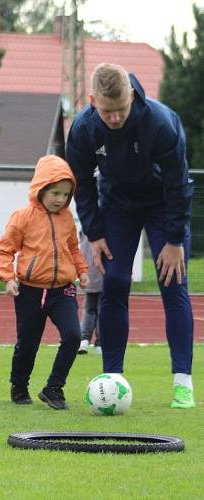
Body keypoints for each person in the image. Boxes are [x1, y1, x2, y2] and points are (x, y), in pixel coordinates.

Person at [66, 63, 196, 409]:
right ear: (93, 101)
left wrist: (173, 239)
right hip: (118, 206)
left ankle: (183, 382)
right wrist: (94, 233)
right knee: (114, 282)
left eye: (121, 109)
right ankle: (113, 378)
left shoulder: (160, 121)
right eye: (107, 111)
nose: (114, 118)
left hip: (163, 205)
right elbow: (82, 182)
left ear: (134, 96)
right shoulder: (82, 128)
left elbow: (178, 184)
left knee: (173, 283)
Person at [0, 155, 89, 410]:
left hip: (63, 290)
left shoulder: (67, 218)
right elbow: (4, 250)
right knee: (28, 344)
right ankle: (19, 385)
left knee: (72, 337)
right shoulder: (23, 217)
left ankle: (54, 388)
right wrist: (8, 277)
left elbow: (73, 248)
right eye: (55, 192)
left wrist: (81, 270)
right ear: (41, 189)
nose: (60, 199)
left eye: (65, 194)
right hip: (30, 292)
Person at [77, 231, 102, 354]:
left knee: (89, 307)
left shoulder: (85, 228)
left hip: (88, 272)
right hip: (102, 271)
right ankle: (100, 343)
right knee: (102, 308)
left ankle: (84, 340)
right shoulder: (107, 227)